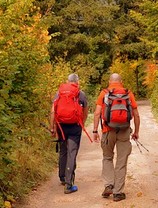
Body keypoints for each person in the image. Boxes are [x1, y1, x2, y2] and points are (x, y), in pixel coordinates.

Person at [93, 73, 140, 202]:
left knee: (107, 157)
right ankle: (118, 192)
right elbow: (136, 114)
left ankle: (109, 185)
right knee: (121, 161)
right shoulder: (128, 94)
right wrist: (136, 131)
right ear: (121, 81)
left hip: (108, 130)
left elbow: (97, 113)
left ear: (109, 81)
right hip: (124, 131)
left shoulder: (104, 93)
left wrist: (95, 130)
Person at [49, 73, 88, 194]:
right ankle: (69, 184)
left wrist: (53, 127)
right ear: (77, 82)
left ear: (67, 81)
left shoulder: (59, 93)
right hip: (75, 127)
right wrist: (82, 123)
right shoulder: (80, 94)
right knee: (72, 153)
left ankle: (62, 177)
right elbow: (85, 111)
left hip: (61, 126)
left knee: (63, 150)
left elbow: (52, 111)